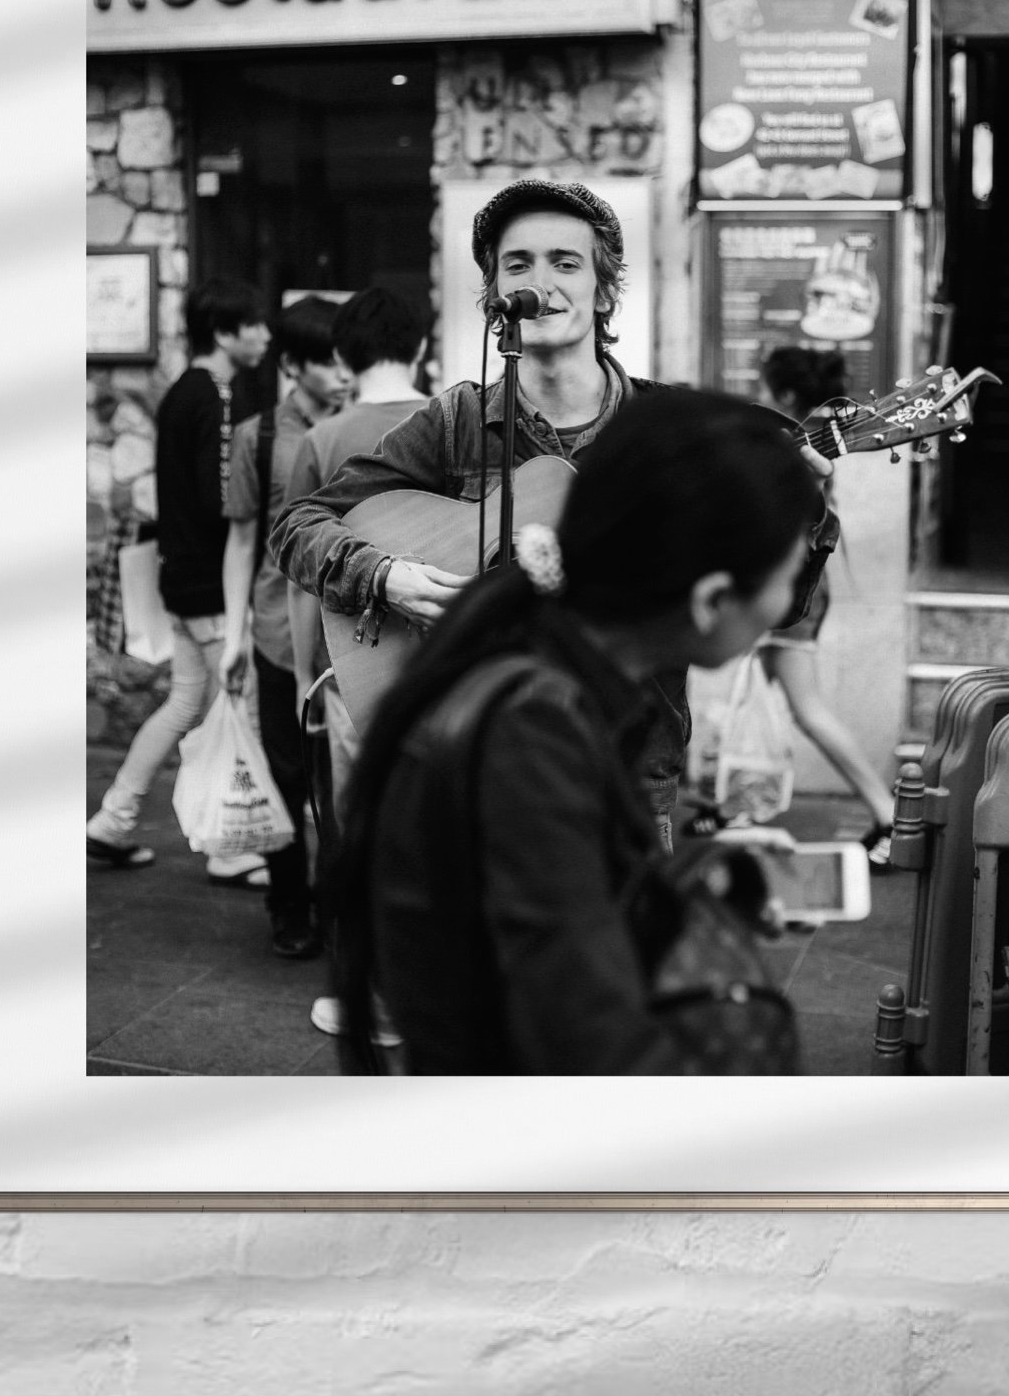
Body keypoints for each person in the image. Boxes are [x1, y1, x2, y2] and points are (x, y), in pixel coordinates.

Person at [268, 178, 839, 841]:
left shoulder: (666, 430)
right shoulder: (457, 420)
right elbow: (295, 525)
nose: (540, 282)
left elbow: (784, 604)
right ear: (494, 296)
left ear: (603, 291)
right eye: (518, 264)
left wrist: (801, 513)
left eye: (565, 263)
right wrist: (385, 577)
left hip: (625, 772)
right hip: (467, 757)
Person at [327, 388, 819, 1074]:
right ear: (710, 601)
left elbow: (564, 904)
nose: (784, 605)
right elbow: (589, 1042)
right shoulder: (535, 735)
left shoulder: (564, 688)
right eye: (789, 574)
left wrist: (700, 879)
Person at [276, 286, 431, 1041]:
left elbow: (303, 570)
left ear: (340, 358)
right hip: (447, 664)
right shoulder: (459, 420)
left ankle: (373, 998)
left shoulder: (323, 439)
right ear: (424, 349)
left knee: (361, 828)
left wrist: (309, 670)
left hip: (354, 665)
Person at [87, 280, 270, 873]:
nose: (265, 336)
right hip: (210, 582)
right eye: (255, 325)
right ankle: (230, 848)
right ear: (224, 331)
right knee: (237, 707)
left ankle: (113, 819)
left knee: (188, 701)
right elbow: (225, 501)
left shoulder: (181, 393)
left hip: (182, 576)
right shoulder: (216, 395)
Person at [221, 295, 350, 955]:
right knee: (282, 776)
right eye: (327, 361)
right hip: (276, 632)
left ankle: (336, 905)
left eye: (345, 357)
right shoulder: (259, 436)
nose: (342, 371)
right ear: (295, 366)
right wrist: (236, 634)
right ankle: (288, 906)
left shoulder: (370, 429)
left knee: (342, 786)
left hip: (353, 642)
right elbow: (243, 540)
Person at [750, 345, 897, 865]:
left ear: (785, 395)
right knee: (746, 702)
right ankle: (733, 809)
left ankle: (888, 815)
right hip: (769, 581)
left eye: (764, 387)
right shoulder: (786, 440)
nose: (757, 395)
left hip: (786, 585)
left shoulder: (800, 445)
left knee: (806, 708)